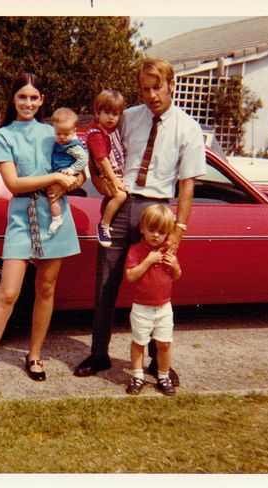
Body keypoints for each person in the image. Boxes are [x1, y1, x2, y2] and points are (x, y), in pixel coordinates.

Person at [74, 58, 206, 380]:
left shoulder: (188, 128)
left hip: (157, 211)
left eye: (157, 87)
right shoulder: (128, 117)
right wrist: (98, 178)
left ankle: (154, 363)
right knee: (106, 282)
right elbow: (98, 145)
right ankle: (99, 354)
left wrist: (179, 229)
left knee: (154, 287)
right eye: (145, 89)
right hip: (120, 203)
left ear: (171, 85)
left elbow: (187, 184)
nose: (151, 95)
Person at [0, 72, 84, 398]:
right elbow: (14, 184)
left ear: (42, 100)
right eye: (22, 97)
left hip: (55, 216)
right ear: (13, 100)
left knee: (46, 288)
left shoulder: (53, 130)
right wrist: (54, 176)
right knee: (8, 293)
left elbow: (80, 167)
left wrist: (71, 179)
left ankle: (34, 356)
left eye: (34, 97)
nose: (28, 103)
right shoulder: (3, 136)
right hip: (21, 219)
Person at [124, 204, 182, 396]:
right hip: (142, 307)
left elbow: (177, 276)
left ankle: (163, 375)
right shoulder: (136, 250)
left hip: (164, 306)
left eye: (162, 232)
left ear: (168, 234)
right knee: (139, 342)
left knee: (164, 343)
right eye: (151, 230)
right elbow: (131, 276)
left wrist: (174, 267)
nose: (156, 235)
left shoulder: (169, 251)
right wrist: (148, 260)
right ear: (142, 228)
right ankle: (138, 376)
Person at [85, 89, 127, 247]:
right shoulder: (96, 135)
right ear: (97, 112)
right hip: (107, 176)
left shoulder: (111, 131)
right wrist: (114, 180)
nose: (111, 117)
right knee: (120, 196)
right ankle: (104, 225)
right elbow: (102, 161)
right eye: (107, 112)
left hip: (117, 173)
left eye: (115, 114)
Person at [49, 107, 88, 235]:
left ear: (74, 131)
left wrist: (72, 170)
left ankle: (56, 218)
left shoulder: (73, 147)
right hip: (58, 173)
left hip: (66, 174)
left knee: (52, 197)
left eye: (66, 134)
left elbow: (83, 159)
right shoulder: (57, 143)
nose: (62, 137)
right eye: (58, 133)